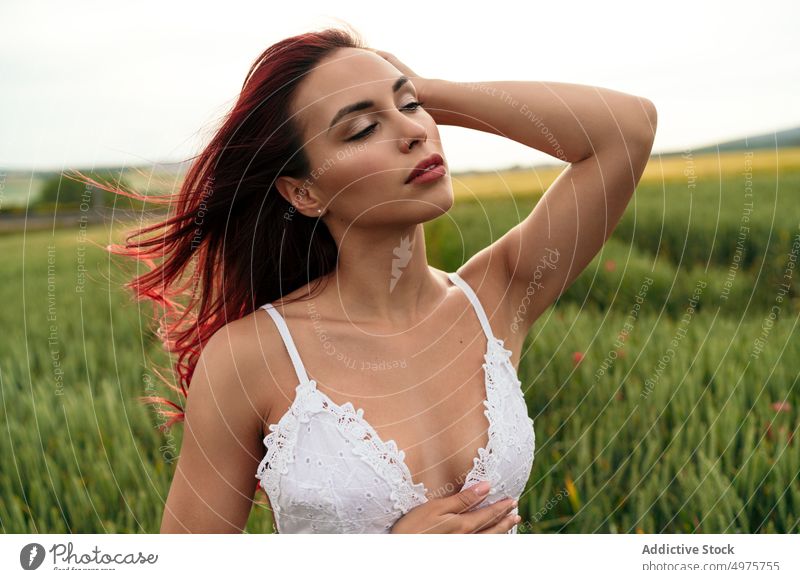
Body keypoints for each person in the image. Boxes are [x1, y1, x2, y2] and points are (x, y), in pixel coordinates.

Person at [123, 24, 656, 534]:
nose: (413, 132)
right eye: (362, 128)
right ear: (303, 193)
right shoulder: (252, 358)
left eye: (410, 108)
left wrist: (431, 92)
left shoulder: (498, 295)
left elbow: (628, 128)